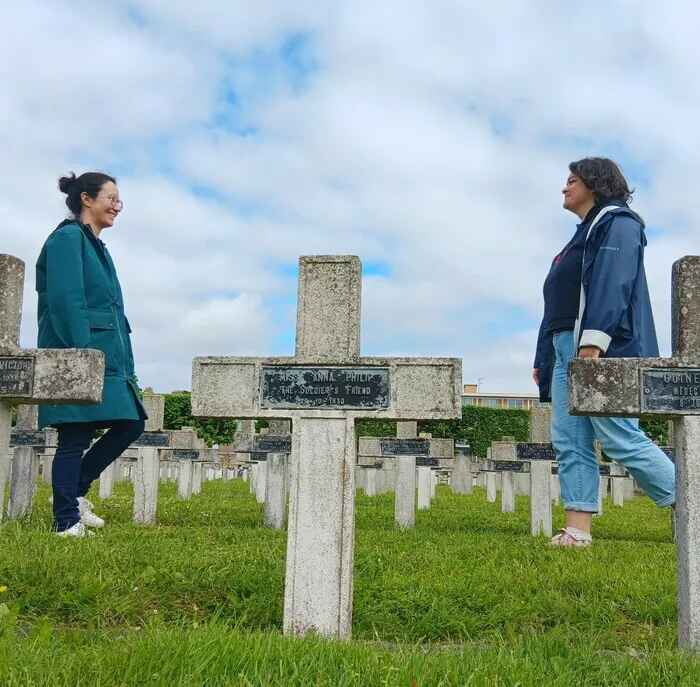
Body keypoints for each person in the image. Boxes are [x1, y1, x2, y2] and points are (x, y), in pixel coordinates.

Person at [533, 157, 675, 547]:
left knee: (617, 436)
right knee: (570, 438)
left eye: (572, 180)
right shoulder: (575, 239)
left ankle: (690, 504)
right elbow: (556, 305)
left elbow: (614, 282)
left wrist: (593, 342)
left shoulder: (619, 222)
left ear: (594, 184)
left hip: (602, 346)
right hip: (565, 347)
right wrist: (542, 359)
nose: (564, 188)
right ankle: (577, 529)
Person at [36, 172, 147, 537]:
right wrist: (81, 356)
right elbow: (68, 301)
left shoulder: (96, 245)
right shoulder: (68, 239)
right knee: (76, 434)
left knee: (132, 422)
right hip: (79, 353)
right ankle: (65, 520)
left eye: (119, 200)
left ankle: (75, 494)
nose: (117, 206)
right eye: (111, 198)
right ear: (87, 198)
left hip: (108, 356)